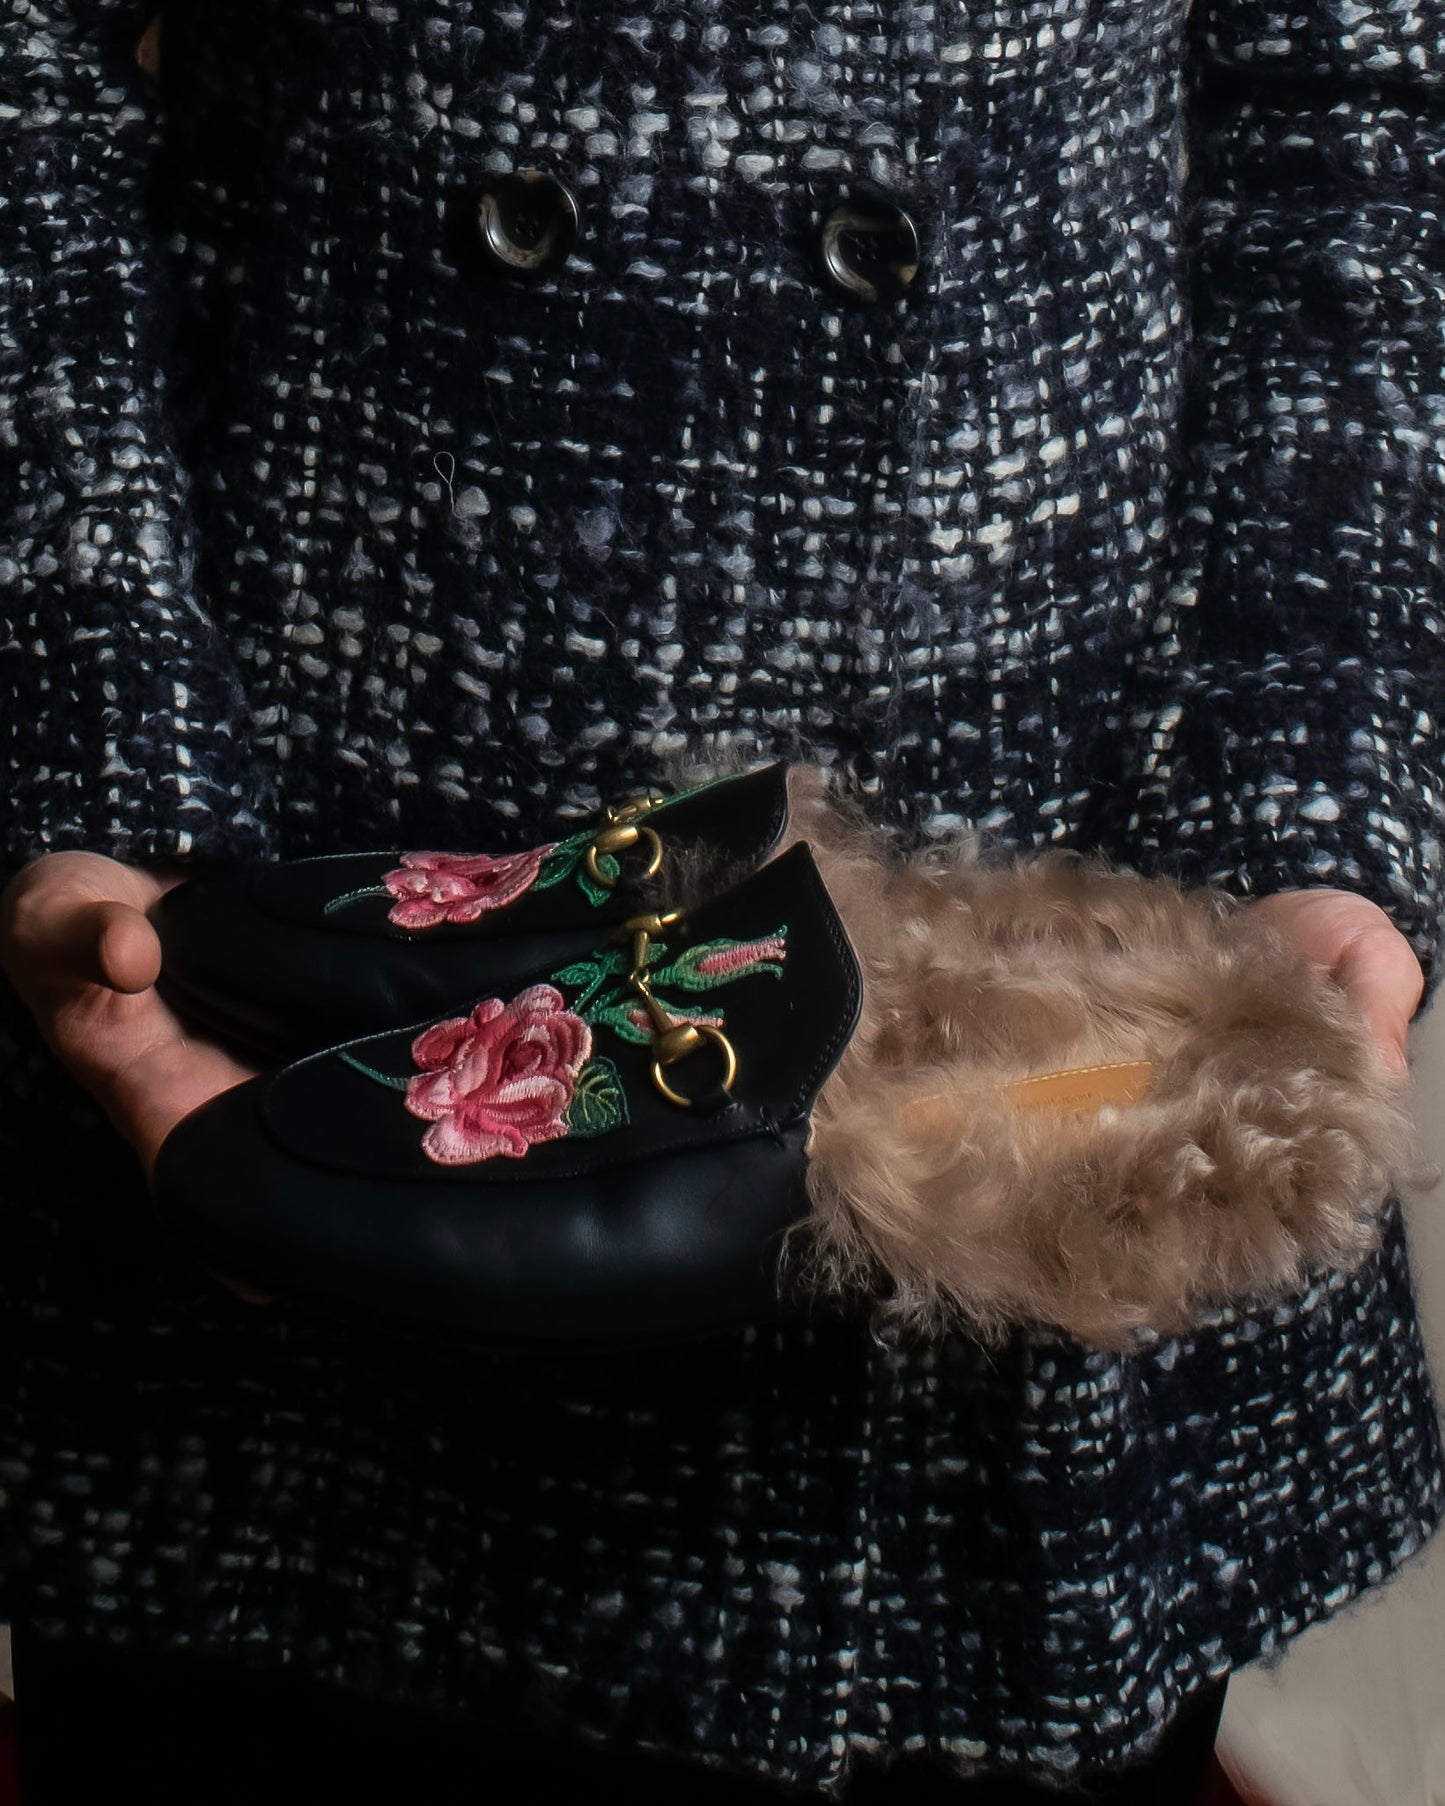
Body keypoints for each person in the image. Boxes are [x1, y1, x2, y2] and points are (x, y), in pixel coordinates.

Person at [0, 0, 1441, 1800]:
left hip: (1025, 1003)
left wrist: (1296, 792)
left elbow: (1351, 116)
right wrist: (101, 735)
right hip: (305, 858)